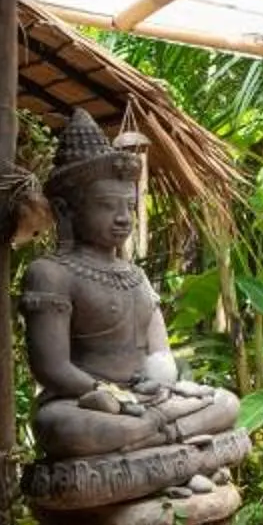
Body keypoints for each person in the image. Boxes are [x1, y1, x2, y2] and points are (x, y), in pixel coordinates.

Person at [18, 111, 239, 468]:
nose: (123, 217)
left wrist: (164, 378)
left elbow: (159, 352)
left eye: (129, 207)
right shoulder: (51, 273)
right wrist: (105, 394)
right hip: (89, 401)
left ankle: (153, 435)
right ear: (66, 210)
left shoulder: (136, 275)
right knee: (59, 427)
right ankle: (165, 437)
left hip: (147, 399)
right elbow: (51, 366)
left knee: (226, 403)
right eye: (107, 206)